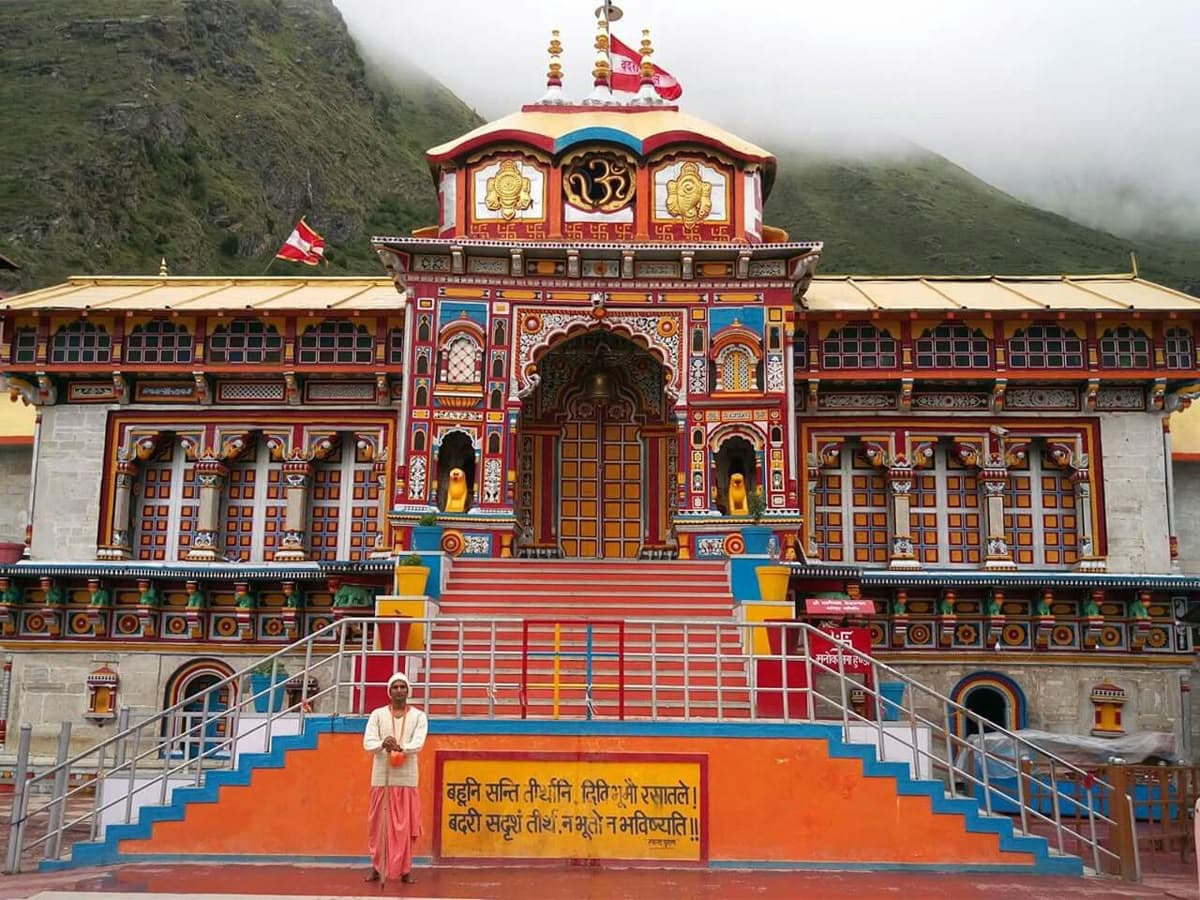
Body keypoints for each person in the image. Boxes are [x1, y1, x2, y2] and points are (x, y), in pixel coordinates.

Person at [362, 671, 428, 886]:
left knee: (404, 827)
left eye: (402, 687)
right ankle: (377, 867)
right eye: (395, 687)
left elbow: (418, 743)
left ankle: (405, 870)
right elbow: (368, 742)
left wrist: (399, 747)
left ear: (408, 691)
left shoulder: (418, 716)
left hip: (406, 777)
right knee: (379, 826)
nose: (399, 690)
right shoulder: (377, 714)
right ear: (389, 691)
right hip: (382, 776)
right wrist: (383, 743)